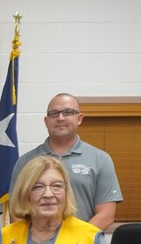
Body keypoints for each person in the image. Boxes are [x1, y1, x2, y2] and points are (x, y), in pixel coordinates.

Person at [11, 93, 123, 230]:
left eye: (68, 112)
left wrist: (73, 241)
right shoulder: (25, 162)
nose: (60, 118)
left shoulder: (100, 159)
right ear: (46, 121)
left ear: (79, 118)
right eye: (54, 113)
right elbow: (17, 212)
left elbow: (106, 215)